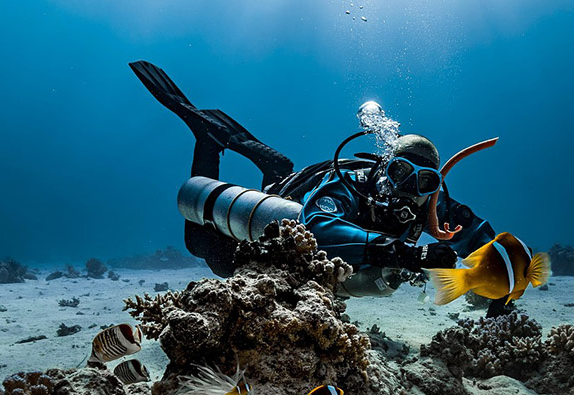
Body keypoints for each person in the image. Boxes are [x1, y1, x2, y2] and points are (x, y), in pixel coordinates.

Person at [130, 61, 510, 316]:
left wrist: (502, 289)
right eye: (399, 171)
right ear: (382, 167)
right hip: (289, 212)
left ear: (435, 184)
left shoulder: (434, 204)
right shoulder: (353, 184)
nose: (409, 188)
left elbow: (478, 238)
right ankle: (207, 141)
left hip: (328, 238)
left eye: (424, 181)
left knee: (278, 171)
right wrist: (404, 253)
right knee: (204, 247)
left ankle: (267, 161)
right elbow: (317, 226)